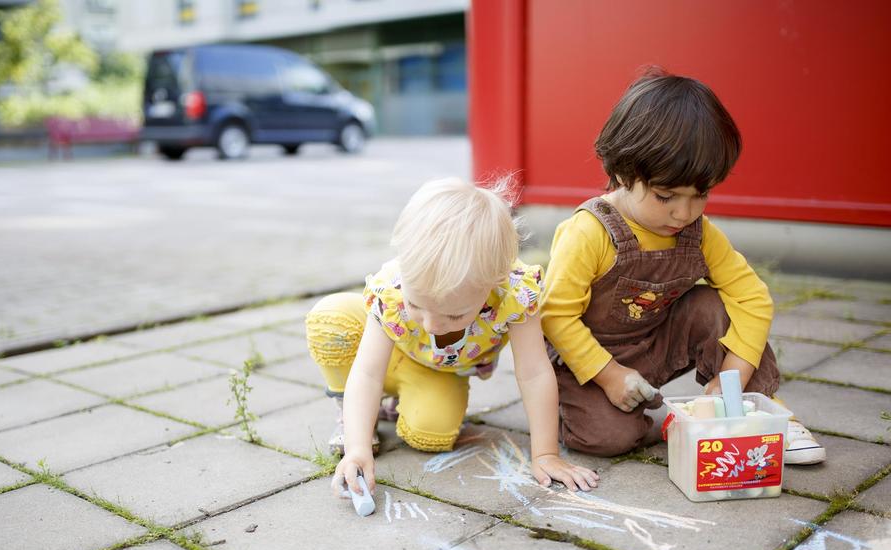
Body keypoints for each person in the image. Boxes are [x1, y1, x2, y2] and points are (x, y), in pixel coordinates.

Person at [540, 68, 825, 464]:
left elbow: (752, 299)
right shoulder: (589, 233)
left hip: (658, 342)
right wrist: (609, 376)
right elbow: (555, 316)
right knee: (609, 439)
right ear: (623, 173)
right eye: (665, 195)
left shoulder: (699, 233)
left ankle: (762, 411)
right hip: (588, 356)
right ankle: (566, 406)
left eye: (700, 194)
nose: (683, 212)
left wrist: (734, 377)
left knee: (713, 305)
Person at [305, 177, 600, 498]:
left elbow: (534, 373)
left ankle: (393, 402)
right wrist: (357, 448)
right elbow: (367, 372)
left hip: (435, 370)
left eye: (454, 315)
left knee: (431, 434)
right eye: (417, 305)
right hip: (383, 355)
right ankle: (351, 414)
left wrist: (546, 454)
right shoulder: (392, 289)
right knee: (331, 320)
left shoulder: (513, 292)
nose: (432, 325)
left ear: (494, 281)